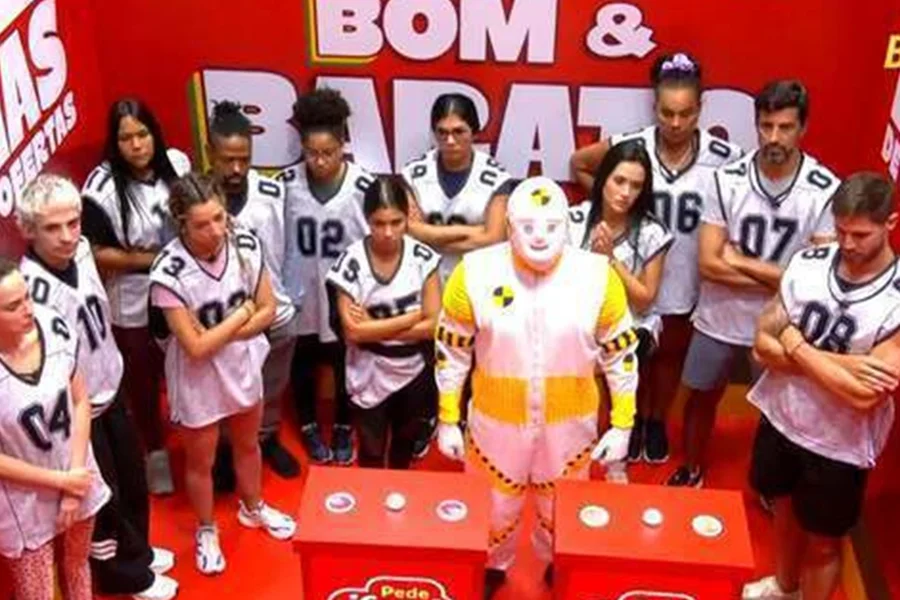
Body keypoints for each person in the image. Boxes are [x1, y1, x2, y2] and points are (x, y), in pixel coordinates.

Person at [434, 177, 638, 598]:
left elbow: (621, 353)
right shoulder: (473, 273)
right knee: (491, 505)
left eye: (551, 225)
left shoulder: (598, 277)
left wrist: (623, 424)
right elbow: (451, 349)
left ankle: (559, 563)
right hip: (495, 421)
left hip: (570, 424)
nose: (540, 236)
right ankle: (490, 565)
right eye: (527, 226)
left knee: (564, 506)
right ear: (509, 226)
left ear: (568, 224)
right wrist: (447, 418)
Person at [570, 52, 742, 464]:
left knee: (668, 358)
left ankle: (656, 421)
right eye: (667, 113)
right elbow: (580, 163)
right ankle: (626, 421)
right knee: (628, 354)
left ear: (700, 108)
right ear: (655, 107)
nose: (676, 123)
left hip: (685, 271)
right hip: (634, 267)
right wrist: (614, 205)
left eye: (686, 113)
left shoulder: (725, 156)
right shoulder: (633, 146)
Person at [667, 80, 839, 488]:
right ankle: (692, 468)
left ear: (803, 128)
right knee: (700, 396)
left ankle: (766, 486)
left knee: (779, 412)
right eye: (766, 126)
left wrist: (741, 261)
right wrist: (783, 276)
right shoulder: (726, 179)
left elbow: (815, 280)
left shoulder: (823, 189)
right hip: (719, 316)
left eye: (785, 127)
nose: (774, 137)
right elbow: (709, 264)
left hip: (780, 321)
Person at [18, 175, 177, 599]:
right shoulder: (31, 289)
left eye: (73, 223)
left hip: (111, 383)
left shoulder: (85, 250)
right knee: (104, 499)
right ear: (29, 230)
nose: (67, 236)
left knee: (132, 479)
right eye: (52, 228)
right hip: (79, 409)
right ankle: (125, 575)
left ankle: (138, 552)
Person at [742, 173, 900, 600]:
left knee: (825, 542)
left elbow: (864, 395)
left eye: (860, 235)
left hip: (839, 442)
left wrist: (795, 343)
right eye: (841, 230)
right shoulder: (808, 264)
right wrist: (845, 366)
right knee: (783, 509)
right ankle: (785, 587)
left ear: (890, 223)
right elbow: (762, 345)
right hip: (784, 415)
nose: (847, 243)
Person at [149, 173, 296, 575]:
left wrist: (221, 331)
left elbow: (268, 310)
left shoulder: (245, 244)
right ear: (182, 222)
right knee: (202, 461)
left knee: (249, 444)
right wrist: (242, 313)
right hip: (196, 378)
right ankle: (206, 528)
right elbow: (194, 349)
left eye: (219, 217)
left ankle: (253, 507)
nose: (215, 230)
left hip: (242, 363)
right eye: (202, 224)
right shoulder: (168, 271)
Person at [81, 98, 191, 495]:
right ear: (115, 143)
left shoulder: (177, 164)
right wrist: (154, 258)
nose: (137, 145)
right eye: (125, 138)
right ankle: (155, 451)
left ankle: (196, 440)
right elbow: (96, 252)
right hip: (132, 298)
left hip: (181, 289)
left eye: (142, 134)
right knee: (142, 382)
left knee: (186, 365)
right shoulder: (101, 188)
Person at [402, 93, 515, 457]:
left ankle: (468, 420)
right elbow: (408, 230)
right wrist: (470, 233)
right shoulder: (414, 173)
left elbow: (494, 237)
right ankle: (429, 418)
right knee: (428, 354)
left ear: (475, 132)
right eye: (442, 132)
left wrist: (431, 233)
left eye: (459, 131)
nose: (450, 140)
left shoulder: (495, 176)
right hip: (427, 280)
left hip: (477, 281)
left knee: (475, 354)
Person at [0, 257, 110, 600]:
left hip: (76, 470)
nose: (28, 310)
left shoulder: (53, 324)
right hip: (24, 499)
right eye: (13, 306)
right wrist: (61, 482)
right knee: (37, 592)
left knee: (77, 565)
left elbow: (80, 400)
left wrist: (74, 480)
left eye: (27, 297)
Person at [206, 101, 301, 480]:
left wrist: (290, 297)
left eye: (244, 159)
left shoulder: (273, 192)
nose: (236, 169)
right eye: (227, 159)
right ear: (210, 152)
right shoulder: (198, 199)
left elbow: (290, 248)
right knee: (225, 390)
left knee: (272, 385)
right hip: (223, 319)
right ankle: (226, 450)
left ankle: (268, 438)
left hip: (273, 311)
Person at [568, 141, 672, 481]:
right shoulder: (573, 220)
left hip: (630, 323)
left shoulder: (652, 232)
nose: (626, 193)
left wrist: (611, 261)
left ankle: (616, 459)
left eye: (636, 185)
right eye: (619, 181)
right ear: (603, 179)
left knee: (620, 357)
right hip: (579, 319)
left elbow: (644, 299)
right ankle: (575, 453)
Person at [281, 88, 374, 465]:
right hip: (299, 291)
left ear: (342, 145)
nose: (319, 161)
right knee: (302, 360)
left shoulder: (362, 187)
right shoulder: (285, 185)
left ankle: (342, 426)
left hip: (343, 294)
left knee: (344, 362)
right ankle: (307, 425)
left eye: (328, 152)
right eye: (312, 152)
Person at [326, 176, 441, 469]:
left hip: (413, 369)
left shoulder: (423, 258)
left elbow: (434, 327)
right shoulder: (351, 263)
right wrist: (412, 317)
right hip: (367, 369)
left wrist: (375, 327)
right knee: (372, 449)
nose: (388, 232)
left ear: (408, 217)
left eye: (396, 222)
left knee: (404, 444)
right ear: (367, 219)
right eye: (379, 223)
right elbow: (353, 333)